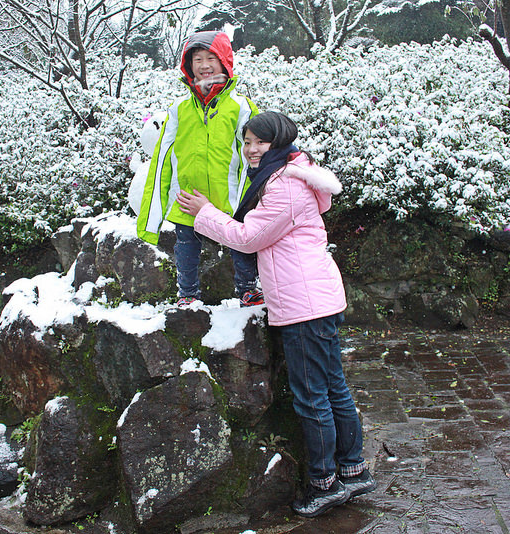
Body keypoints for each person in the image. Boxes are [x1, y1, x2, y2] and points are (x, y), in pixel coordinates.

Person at [176, 111, 376, 518]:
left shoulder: (283, 185)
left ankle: (325, 483)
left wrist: (205, 212)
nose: (250, 150)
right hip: (315, 299)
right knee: (332, 386)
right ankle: (352, 469)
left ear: (278, 142)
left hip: (303, 305)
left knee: (312, 395)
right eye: (246, 142)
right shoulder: (287, 175)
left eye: (258, 143)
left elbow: (248, 238)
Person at [136, 30, 262, 307]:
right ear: (188, 65)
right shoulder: (179, 109)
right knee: (186, 248)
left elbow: (255, 153)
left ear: (224, 62)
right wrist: (153, 213)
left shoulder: (241, 107)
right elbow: (162, 160)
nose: (204, 65)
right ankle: (188, 294)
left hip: (228, 197)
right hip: (187, 197)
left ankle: (248, 288)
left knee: (238, 243)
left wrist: (252, 197)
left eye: (211, 58)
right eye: (197, 59)